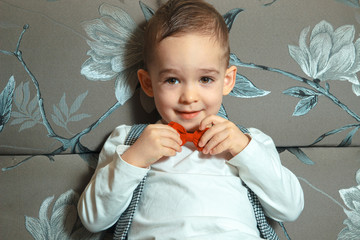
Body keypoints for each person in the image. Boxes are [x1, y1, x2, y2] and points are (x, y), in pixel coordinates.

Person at [78, 0, 304, 239]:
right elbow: (94, 220)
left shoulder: (251, 142)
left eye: (205, 79)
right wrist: (135, 158)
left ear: (227, 81)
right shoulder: (128, 141)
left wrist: (243, 148)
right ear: (147, 83)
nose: (189, 97)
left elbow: (290, 209)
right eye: (172, 80)